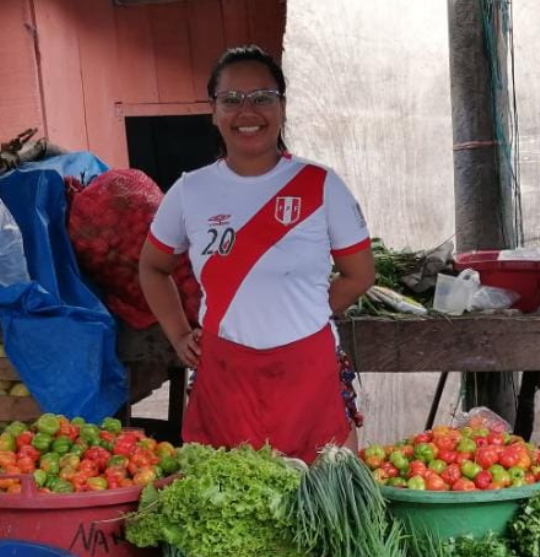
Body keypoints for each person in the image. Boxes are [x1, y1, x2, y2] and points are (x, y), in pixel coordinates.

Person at [138, 45, 375, 463]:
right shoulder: (190, 191)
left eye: (263, 97)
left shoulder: (320, 185)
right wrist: (178, 334)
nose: (248, 112)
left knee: (321, 505)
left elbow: (360, 275)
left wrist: (305, 315)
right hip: (225, 377)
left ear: (282, 107)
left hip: (308, 376)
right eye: (232, 100)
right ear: (214, 111)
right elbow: (153, 268)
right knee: (227, 504)